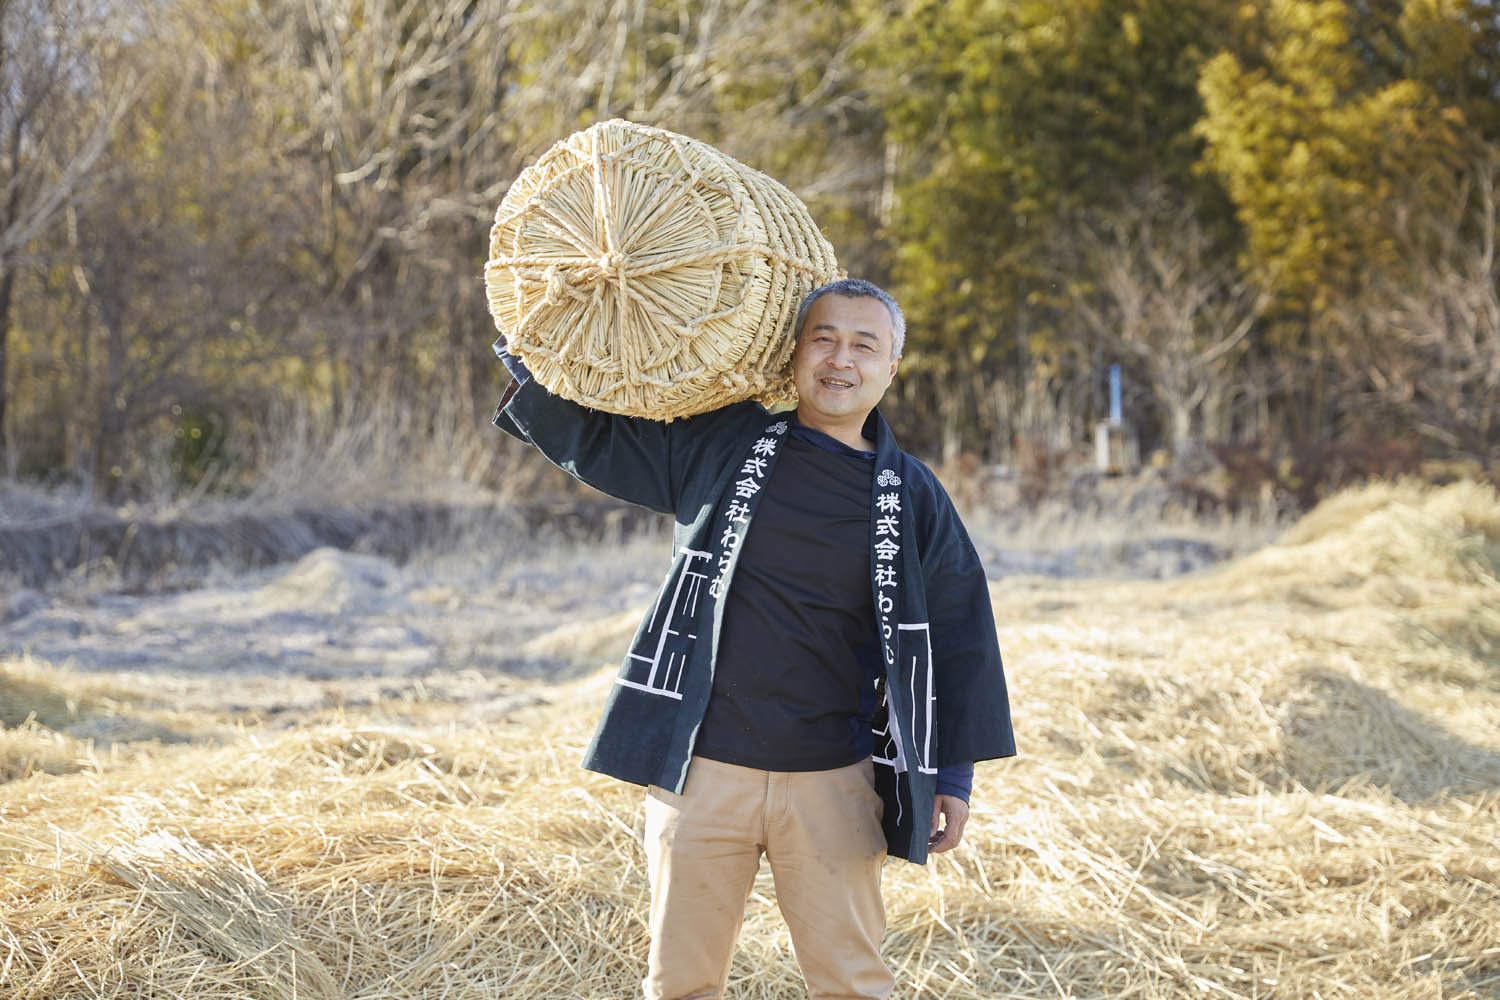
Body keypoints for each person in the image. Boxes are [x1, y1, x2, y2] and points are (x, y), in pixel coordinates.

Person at [491, 278, 1014, 1000]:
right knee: (681, 982)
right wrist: (534, 357)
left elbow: (960, 635)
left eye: (865, 345)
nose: (840, 358)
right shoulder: (726, 442)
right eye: (823, 337)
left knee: (854, 984)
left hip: (835, 779)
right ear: (793, 353)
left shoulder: (912, 494)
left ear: (892, 368)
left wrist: (953, 774)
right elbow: (605, 440)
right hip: (702, 773)